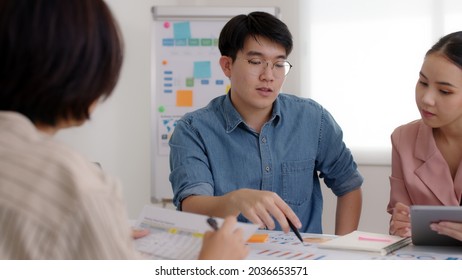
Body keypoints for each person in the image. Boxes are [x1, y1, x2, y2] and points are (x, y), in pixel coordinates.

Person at [0, 0, 248, 260]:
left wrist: (96, 234)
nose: (268, 75)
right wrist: (213, 264)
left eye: (279, 64)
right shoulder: (73, 184)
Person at [169, 11, 363, 235]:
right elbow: (191, 204)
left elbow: (349, 186)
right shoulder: (193, 130)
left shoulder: (313, 118)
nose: (268, 75)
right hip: (230, 258)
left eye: (279, 64)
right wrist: (233, 201)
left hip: (302, 261)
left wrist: (341, 252)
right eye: (255, 61)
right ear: (227, 66)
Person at [388, 31, 462, 242]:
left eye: (445, 91)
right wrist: (400, 225)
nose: (426, 99)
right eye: (423, 83)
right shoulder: (403, 139)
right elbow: (400, 224)